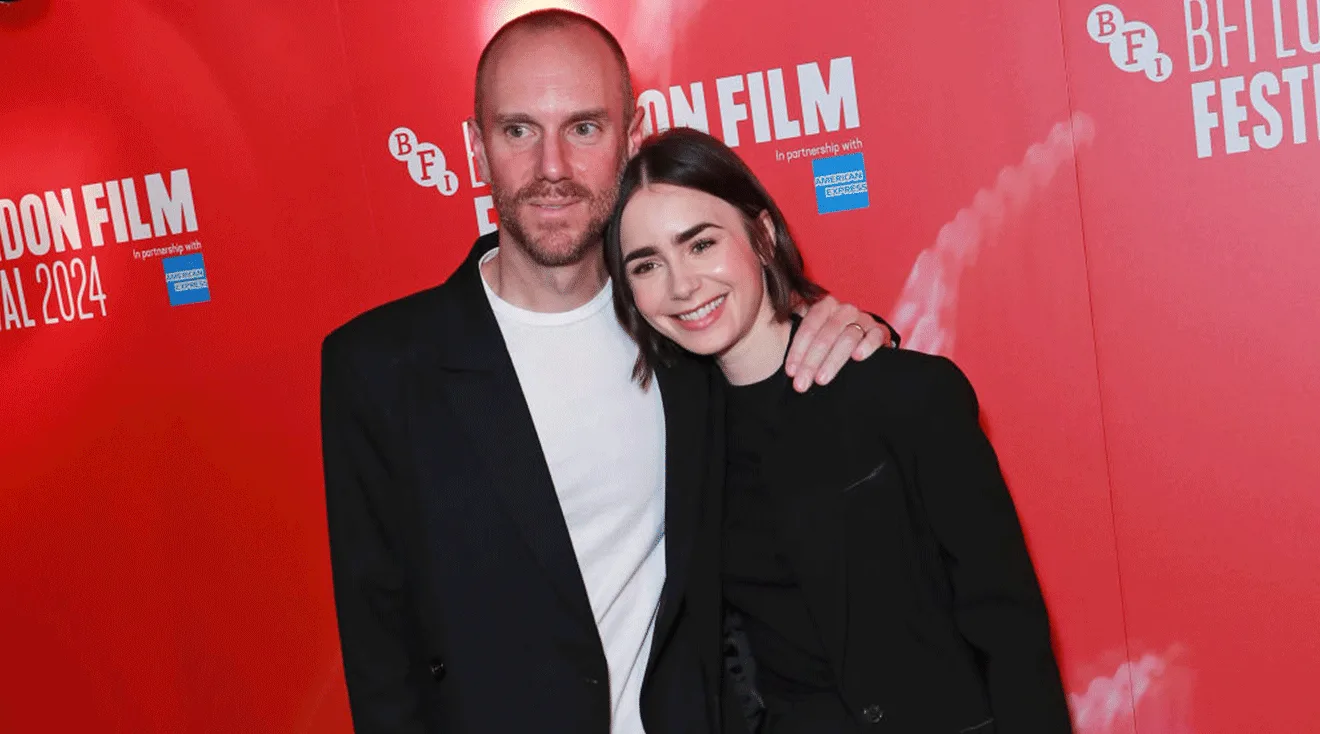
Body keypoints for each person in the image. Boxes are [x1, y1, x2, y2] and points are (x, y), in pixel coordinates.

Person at [320, 10, 897, 734]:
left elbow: (795, 352)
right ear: (475, 148)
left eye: (585, 128)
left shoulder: (685, 322)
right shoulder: (376, 369)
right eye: (518, 130)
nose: (552, 168)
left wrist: (865, 335)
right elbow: (381, 659)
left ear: (632, 135)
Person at [603, 127, 1073, 733]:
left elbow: (1011, 631)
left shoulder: (904, 395)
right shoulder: (674, 436)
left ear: (763, 236)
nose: (682, 284)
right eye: (647, 264)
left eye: (700, 244)